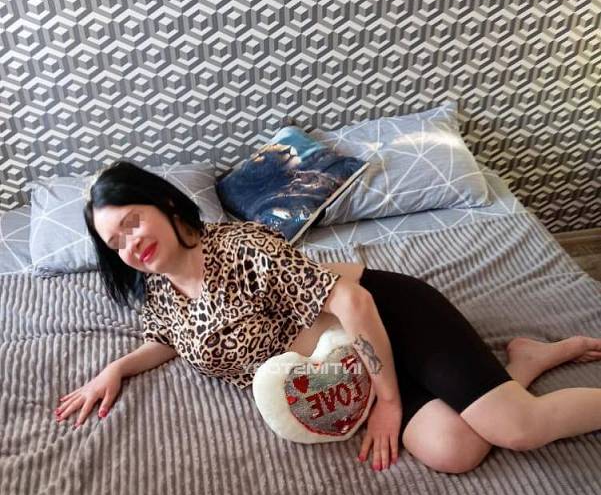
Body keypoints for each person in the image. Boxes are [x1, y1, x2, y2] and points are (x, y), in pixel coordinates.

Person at [53, 160, 601, 474]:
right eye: (116, 242)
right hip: (346, 367)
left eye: (133, 222)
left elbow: (353, 302)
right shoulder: (160, 294)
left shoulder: (241, 247)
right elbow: (169, 339)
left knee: (519, 429)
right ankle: (525, 361)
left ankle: (515, 380)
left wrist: (389, 403)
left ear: (167, 206)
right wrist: (116, 369)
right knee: (455, 451)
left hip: (389, 318)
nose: (131, 244)